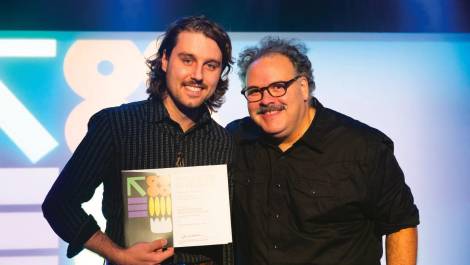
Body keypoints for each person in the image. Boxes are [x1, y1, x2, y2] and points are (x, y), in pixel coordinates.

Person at [42, 16, 234, 265]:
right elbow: (60, 204)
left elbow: (229, 239)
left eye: (211, 65)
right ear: (165, 60)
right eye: (187, 60)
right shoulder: (117, 125)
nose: (197, 75)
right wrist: (117, 255)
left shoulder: (224, 142)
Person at [227, 37, 419, 265]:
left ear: (303, 87)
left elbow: (400, 223)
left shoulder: (363, 148)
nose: (267, 99)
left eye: (278, 87)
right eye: (255, 91)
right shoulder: (234, 140)